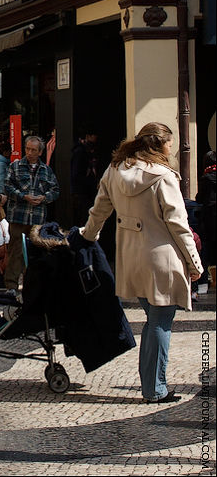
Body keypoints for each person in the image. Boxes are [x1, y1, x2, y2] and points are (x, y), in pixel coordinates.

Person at [80, 122, 203, 403]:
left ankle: (151, 385)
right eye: (169, 145)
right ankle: (155, 388)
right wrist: (195, 263)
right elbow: (179, 225)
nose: (171, 150)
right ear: (159, 145)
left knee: (153, 321)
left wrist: (86, 237)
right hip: (162, 258)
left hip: (130, 257)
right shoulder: (163, 176)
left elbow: (98, 211)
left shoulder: (115, 170)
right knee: (160, 323)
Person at [3, 135, 60, 293]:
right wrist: (23, 196)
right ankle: (11, 285)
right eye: (27, 149)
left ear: (40, 152)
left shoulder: (46, 170)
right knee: (16, 250)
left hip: (37, 217)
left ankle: (32, 284)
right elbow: (7, 186)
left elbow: (55, 190)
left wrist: (44, 198)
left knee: (35, 252)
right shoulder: (15, 166)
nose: (29, 152)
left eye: (33, 150)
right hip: (18, 215)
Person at [71, 127, 104, 226]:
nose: (96, 138)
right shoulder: (80, 151)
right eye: (94, 136)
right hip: (83, 192)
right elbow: (76, 174)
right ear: (88, 136)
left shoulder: (91, 151)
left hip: (90, 191)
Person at [194, 151, 215, 293]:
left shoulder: (206, 178)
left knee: (209, 251)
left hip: (210, 220)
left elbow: (199, 198)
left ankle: (206, 285)